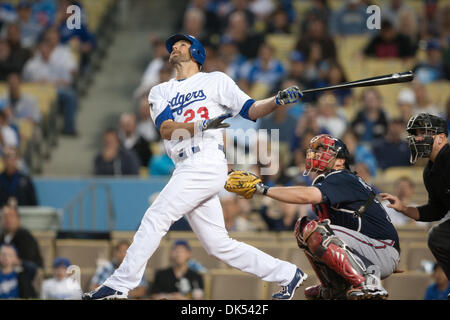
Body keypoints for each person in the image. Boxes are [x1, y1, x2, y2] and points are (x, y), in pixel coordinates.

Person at [83, 33, 307, 300]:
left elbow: (251, 110)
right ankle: (288, 274)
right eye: (173, 45)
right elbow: (166, 129)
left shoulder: (215, 80)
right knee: (218, 245)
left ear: (197, 52)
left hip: (206, 160)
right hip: (185, 164)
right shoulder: (160, 90)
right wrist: (200, 125)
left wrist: (277, 100)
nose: (175, 47)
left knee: (157, 216)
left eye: (181, 44)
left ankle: (120, 285)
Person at [226, 134, 401, 299]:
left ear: (341, 161)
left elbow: (306, 195)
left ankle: (367, 284)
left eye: (324, 151)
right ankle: (332, 285)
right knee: (302, 228)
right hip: (371, 250)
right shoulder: (333, 180)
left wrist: (262, 189)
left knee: (315, 229)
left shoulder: (342, 176)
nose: (316, 154)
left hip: (380, 249)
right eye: (316, 151)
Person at [381, 113, 450, 296]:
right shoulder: (430, 171)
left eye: (424, 133)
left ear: (441, 138)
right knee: (437, 236)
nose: (418, 138)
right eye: (416, 134)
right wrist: (403, 208)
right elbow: (436, 211)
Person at [0, 200, 43, 273]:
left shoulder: (26, 237)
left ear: (18, 219)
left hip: (24, 274)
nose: (8, 220)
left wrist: (12, 261)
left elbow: (31, 262)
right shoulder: (1, 237)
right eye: (5, 217)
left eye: (11, 216)